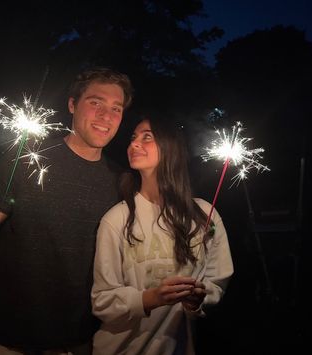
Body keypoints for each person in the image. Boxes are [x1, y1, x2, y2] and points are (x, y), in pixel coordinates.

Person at [0, 67, 133, 355]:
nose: (106, 116)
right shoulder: (27, 160)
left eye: (116, 108)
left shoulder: (121, 182)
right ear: (72, 104)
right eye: (95, 103)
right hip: (11, 339)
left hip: (82, 342)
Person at [91, 117, 234, 355]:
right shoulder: (117, 219)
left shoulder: (205, 216)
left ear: (171, 147)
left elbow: (217, 282)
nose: (134, 144)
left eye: (147, 136)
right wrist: (151, 298)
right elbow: (102, 301)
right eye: (133, 137)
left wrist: (198, 299)